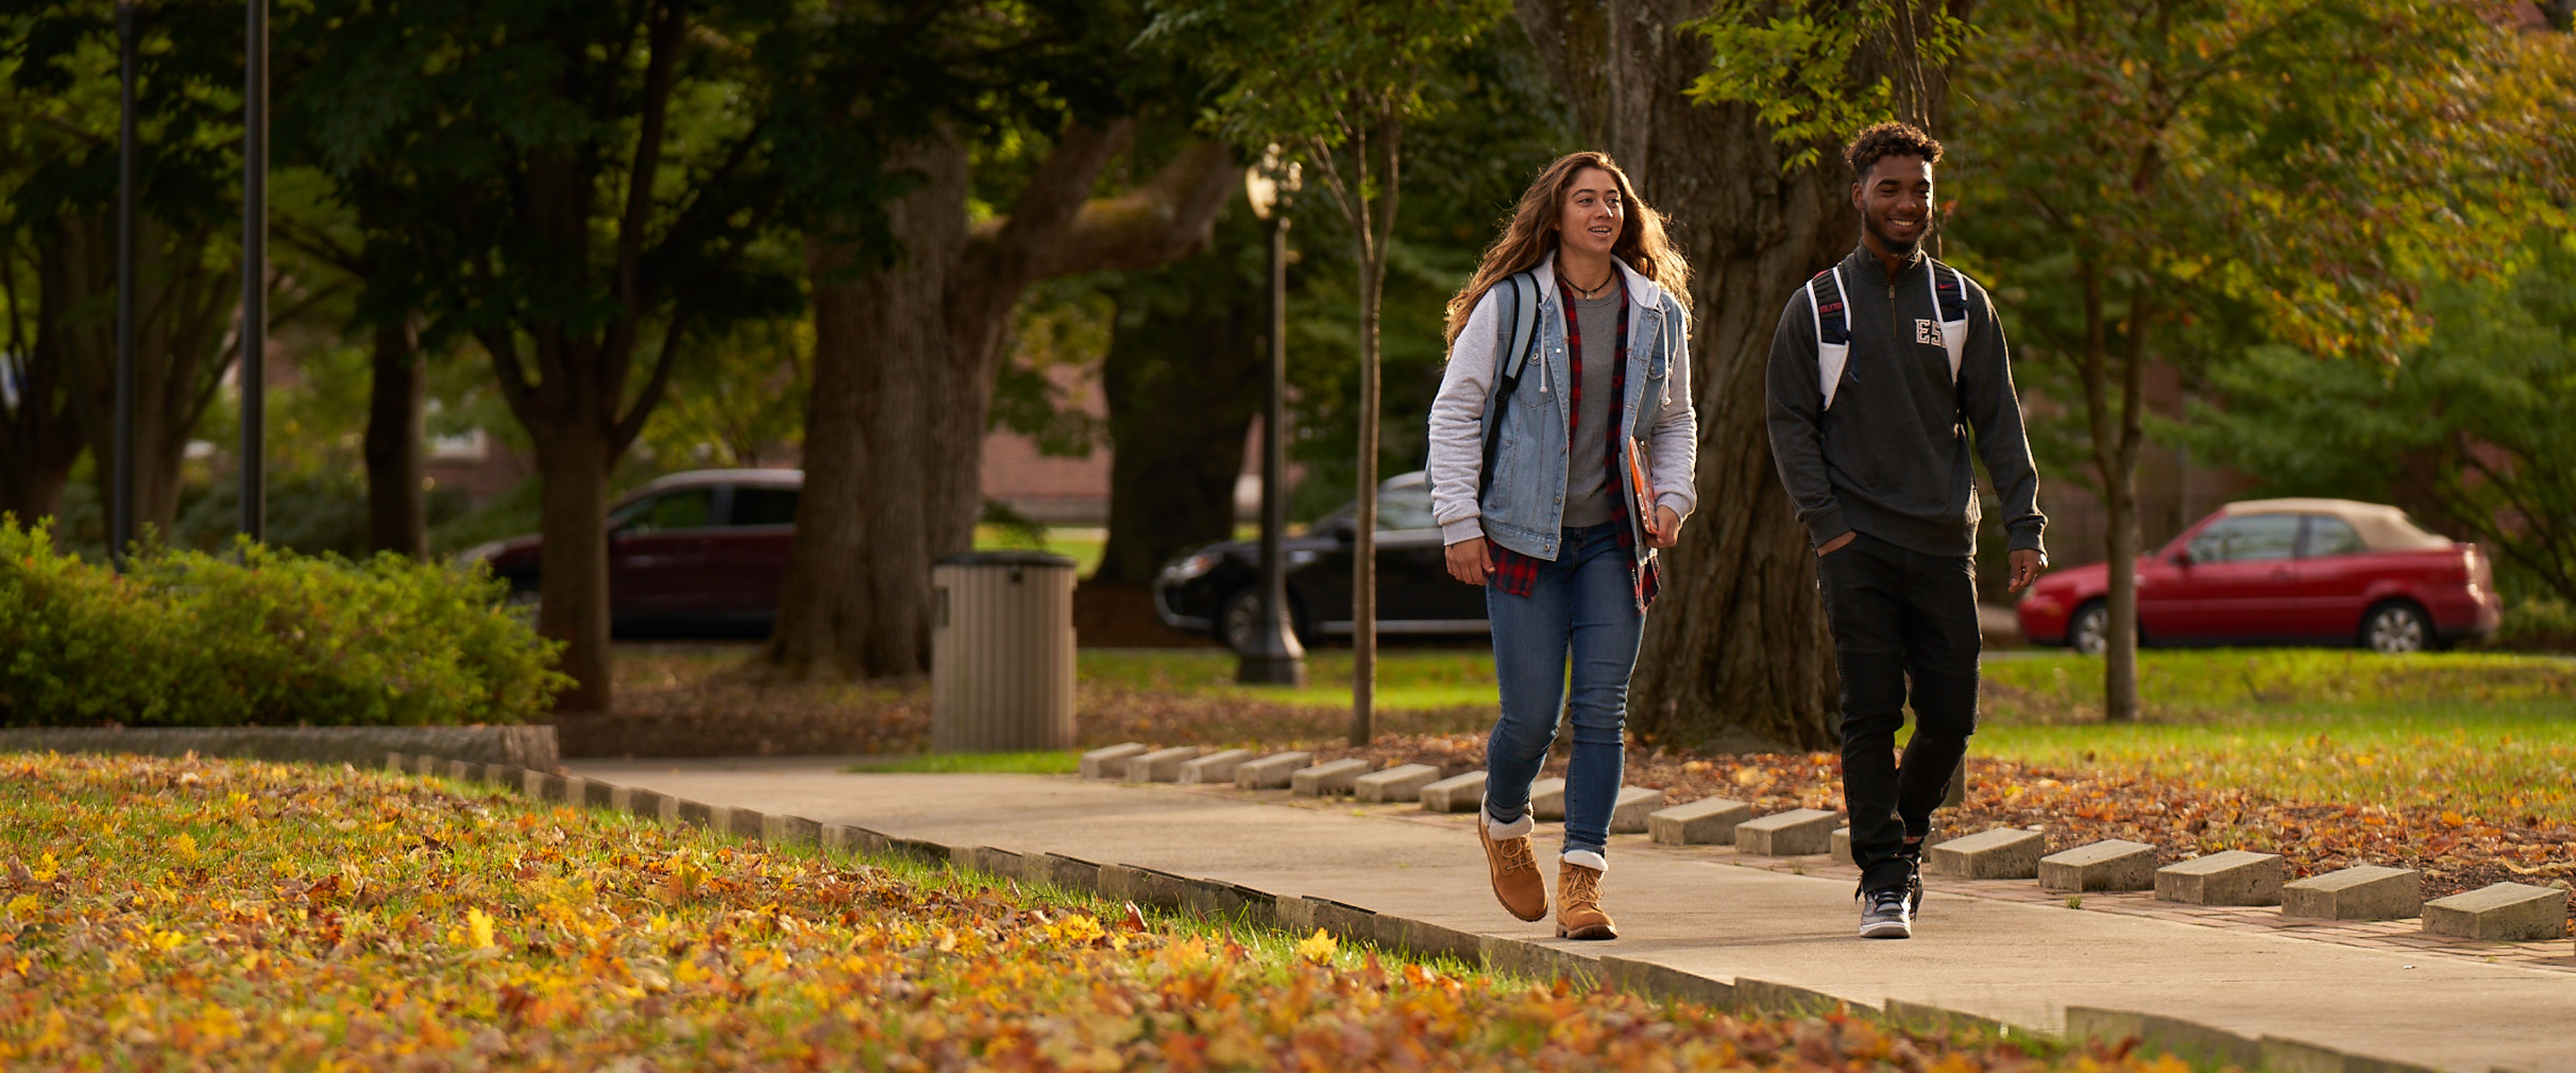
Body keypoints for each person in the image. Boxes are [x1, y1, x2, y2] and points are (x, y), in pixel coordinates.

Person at [1766, 123, 2048, 940]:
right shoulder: (1819, 307)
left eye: (1918, 189)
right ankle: (1885, 877)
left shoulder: (1962, 304)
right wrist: (1829, 528)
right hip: (1855, 546)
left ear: (1934, 200)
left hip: (1941, 544)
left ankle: (1908, 828)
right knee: (1869, 713)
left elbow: (1998, 421)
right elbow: (1789, 424)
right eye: (1889, 187)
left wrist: (2023, 519)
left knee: (1953, 716)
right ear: (1857, 194)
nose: (1905, 202)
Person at [1426, 151, 1697, 941]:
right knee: (1531, 721)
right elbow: (1455, 412)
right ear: (1555, 216)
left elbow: (1675, 419)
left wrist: (1674, 499)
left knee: (1603, 714)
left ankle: (1584, 879)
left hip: (1617, 540)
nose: (1603, 211)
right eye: (1586, 200)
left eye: (1613, 199)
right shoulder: (1511, 306)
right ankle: (1504, 823)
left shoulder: (1657, 312)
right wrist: (1459, 523)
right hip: (1520, 539)